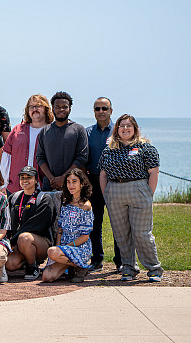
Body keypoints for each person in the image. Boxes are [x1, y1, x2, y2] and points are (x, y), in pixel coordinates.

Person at [99, 114, 163, 282]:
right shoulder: (109, 149)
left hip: (139, 190)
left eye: (129, 126)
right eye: (122, 126)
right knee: (121, 234)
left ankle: (154, 268)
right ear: (117, 129)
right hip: (114, 192)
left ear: (135, 129)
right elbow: (103, 174)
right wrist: (107, 194)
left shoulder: (146, 148)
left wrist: (149, 193)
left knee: (142, 233)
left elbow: (153, 172)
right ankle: (128, 267)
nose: (125, 129)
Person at [85, 97, 119, 272]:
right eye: (97, 108)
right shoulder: (87, 132)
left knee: (118, 223)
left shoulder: (119, 131)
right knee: (94, 223)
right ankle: (97, 259)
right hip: (93, 181)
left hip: (114, 182)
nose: (101, 111)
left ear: (111, 111)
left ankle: (120, 261)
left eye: (104, 108)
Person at [42, 168, 93, 283]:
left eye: (74, 181)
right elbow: (60, 229)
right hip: (63, 250)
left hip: (79, 248)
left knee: (51, 252)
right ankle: (73, 266)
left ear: (82, 184)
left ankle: (81, 266)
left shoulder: (86, 206)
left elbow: (85, 236)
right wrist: (59, 247)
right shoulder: (65, 202)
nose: (71, 185)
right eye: (68, 182)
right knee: (47, 276)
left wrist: (65, 248)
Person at [5, 166, 55, 280]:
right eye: (22, 177)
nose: (25, 180)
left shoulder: (44, 198)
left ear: (36, 180)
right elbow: (6, 221)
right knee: (10, 265)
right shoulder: (14, 198)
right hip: (18, 242)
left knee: (25, 237)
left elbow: (36, 225)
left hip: (40, 243)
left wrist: (14, 239)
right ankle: (26, 260)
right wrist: (7, 241)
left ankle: (32, 267)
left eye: (29, 177)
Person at [0, 94, 54, 194]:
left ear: (46, 109)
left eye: (38, 106)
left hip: (42, 189)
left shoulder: (53, 130)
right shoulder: (17, 130)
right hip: (16, 188)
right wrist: (6, 184)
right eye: (31, 107)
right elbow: (6, 158)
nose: (35, 109)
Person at [36, 91, 88, 191]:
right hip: (49, 184)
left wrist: (64, 178)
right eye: (58, 106)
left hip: (73, 185)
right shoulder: (45, 131)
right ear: (53, 109)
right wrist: (52, 179)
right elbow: (40, 157)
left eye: (64, 106)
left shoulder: (78, 129)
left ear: (70, 109)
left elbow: (82, 157)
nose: (61, 109)